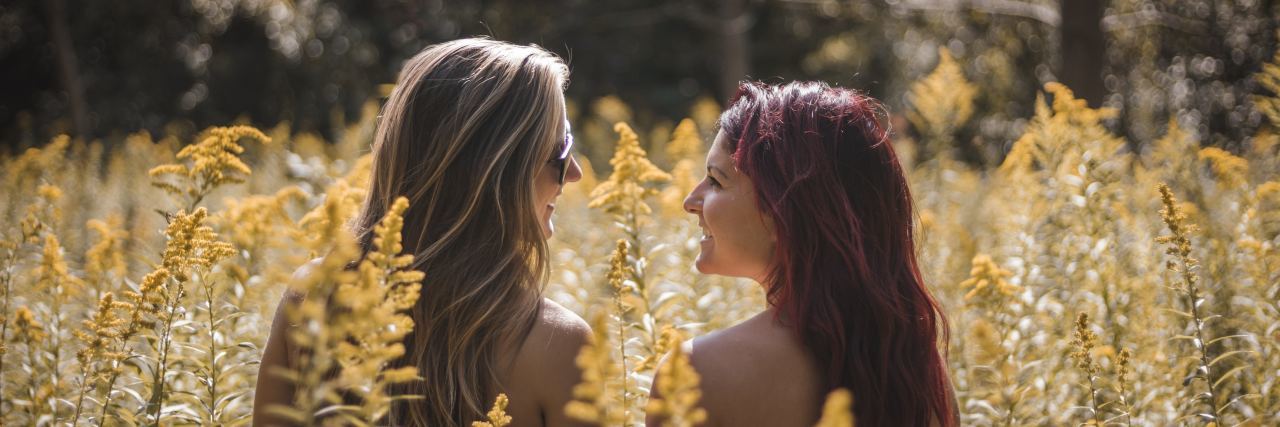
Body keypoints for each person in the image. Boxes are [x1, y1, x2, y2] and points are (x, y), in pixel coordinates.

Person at [254, 37, 591, 427]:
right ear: (495, 170)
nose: (576, 173)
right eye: (562, 148)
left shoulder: (312, 297)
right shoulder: (558, 346)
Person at [659, 81, 958, 426]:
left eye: (715, 180)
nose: (690, 202)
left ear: (780, 210)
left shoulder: (693, 374)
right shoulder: (917, 373)